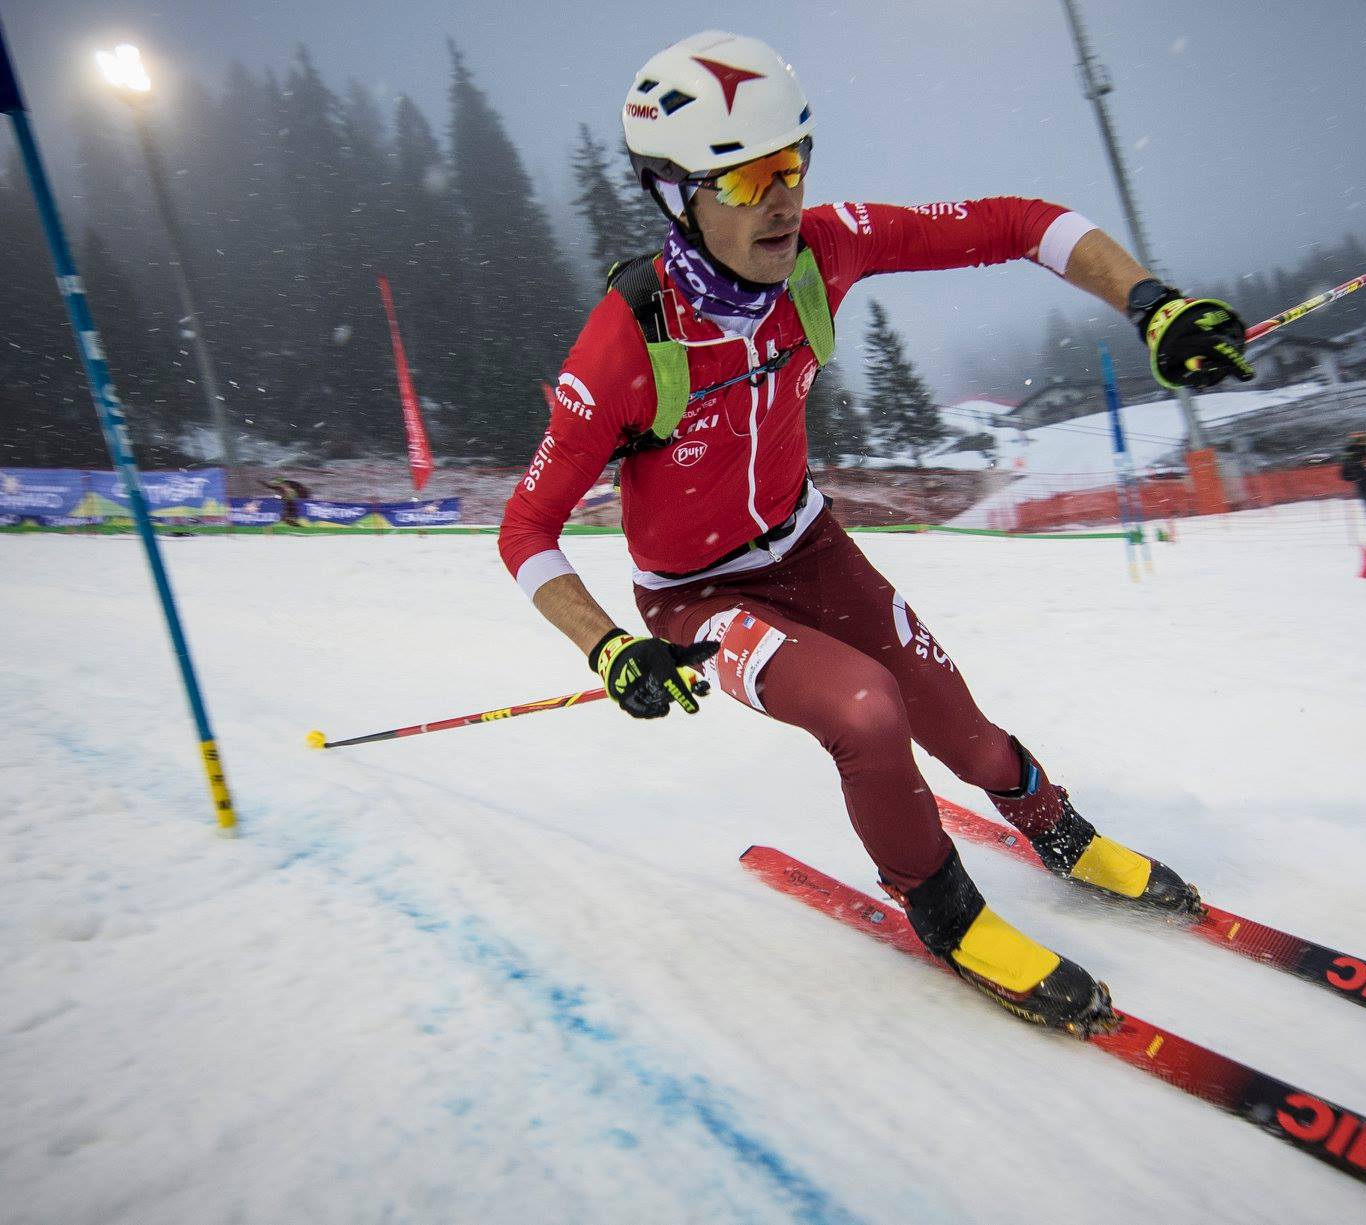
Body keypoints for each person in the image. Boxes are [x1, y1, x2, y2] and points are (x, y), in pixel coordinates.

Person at [498, 31, 1255, 1037]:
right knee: (866, 709)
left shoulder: (827, 244)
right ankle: (944, 909)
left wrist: (1152, 303)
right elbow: (526, 527)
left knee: (960, 722)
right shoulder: (625, 344)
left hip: (807, 546)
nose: (783, 197)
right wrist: (610, 647)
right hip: (696, 600)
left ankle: (1054, 826)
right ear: (679, 195)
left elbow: (1022, 222)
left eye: (794, 164)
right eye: (750, 177)